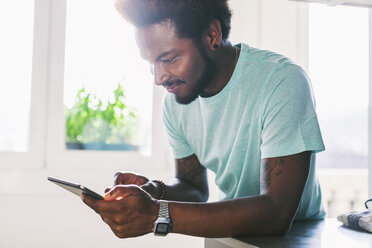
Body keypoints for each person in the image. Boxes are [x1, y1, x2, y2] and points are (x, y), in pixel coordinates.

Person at [81, 0, 326, 238]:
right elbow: (194, 188)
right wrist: (154, 190)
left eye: (168, 59)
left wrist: (156, 213)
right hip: (228, 235)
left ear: (212, 35)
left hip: (298, 236)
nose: (159, 78)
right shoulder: (175, 103)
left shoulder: (281, 81)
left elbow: (277, 212)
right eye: (151, 63)